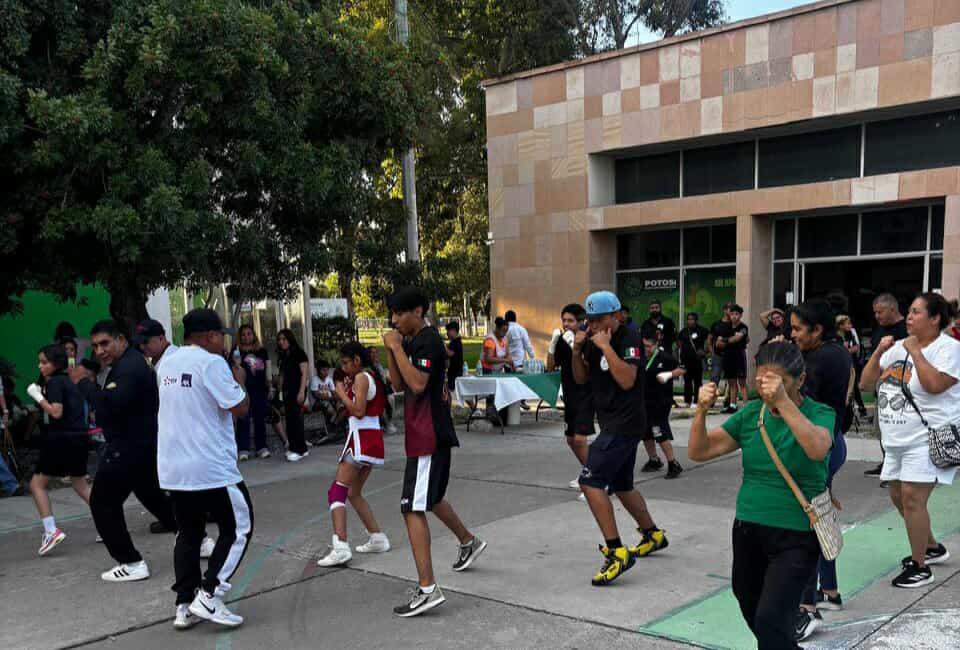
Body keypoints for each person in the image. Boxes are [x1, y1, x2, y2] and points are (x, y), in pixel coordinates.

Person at [689, 342, 834, 650]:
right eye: (761, 381)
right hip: (749, 528)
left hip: (796, 533)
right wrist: (701, 411)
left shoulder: (819, 413)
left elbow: (817, 449)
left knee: (770, 620)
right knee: (751, 606)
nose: (766, 389)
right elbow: (700, 451)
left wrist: (784, 403)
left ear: (800, 380)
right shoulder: (752, 414)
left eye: (776, 382)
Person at [383, 287, 486, 617]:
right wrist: (393, 349)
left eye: (399, 313)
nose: (394, 320)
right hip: (425, 435)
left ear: (417, 311)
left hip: (428, 436)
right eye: (392, 314)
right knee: (433, 498)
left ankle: (427, 588)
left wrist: (395, 347)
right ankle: (468, 541)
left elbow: (417, 384)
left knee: (411, 507)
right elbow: (397, 385)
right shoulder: (412, 341)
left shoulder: (427, 341)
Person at [156, 309, 253, 630]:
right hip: (211, 467)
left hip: (174, 468)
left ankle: (184, 604)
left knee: (189, 534)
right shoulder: (212, 363)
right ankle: (210, 593)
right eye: (221, 336)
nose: (223, 341)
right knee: (238, 528)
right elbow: (239, 407)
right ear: (210, 336)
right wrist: (240, 381)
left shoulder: (166, 363)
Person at [860, 293, 960, 589]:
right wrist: (878, 353)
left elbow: (935, 386)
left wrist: (916, 352)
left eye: (916, 312)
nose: (910, 317)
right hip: (896, 441)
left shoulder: (949, 349)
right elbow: (866, 383)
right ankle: (931, 547)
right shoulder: (897, 347)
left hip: (926, 439)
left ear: (935, 319)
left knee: (913, 499)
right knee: (898, 497)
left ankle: (920, 566)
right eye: (910, 311)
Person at [572, 291, 668, 586]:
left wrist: (605, 347)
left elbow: (627, 380)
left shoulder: (629, 338)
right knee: (623, 486)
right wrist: (577, 350)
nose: (593, 326)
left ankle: (617, 552)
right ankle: (653, 534)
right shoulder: (592, 339)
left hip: (625, 423)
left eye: (599, 320)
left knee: (590, 482)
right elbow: (580, 378)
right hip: (610, 421)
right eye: (589, 321)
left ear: (615, 316)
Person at [71, 319, 179, 582]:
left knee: (102, 502)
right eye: (96, 346)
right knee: (152, 495)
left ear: (121, 339)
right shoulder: (128, 363)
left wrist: (83, 383)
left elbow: (109, 404)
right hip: (140, 445)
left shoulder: (129, 367)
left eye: (105, 343)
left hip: (127, 447)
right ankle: (197, 539)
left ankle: (131, 562)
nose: (100, 351)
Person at [789, 299, 852, 640]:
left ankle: (807, 607)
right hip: (832, 442)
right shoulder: (836, 351)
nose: (792, 334)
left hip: (820, 445)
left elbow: (795, 403)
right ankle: (829, 589)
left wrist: (780, 363)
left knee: (807, 523)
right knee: (820, 515)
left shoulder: (819, 359)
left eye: (798, 329)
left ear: (818, 330)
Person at [316, 342, 391, 567]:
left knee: (336, 491)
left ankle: (340, 546)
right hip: (371, 440)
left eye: (346, 363)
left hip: (361, 439)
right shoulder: (369, 377)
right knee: (354, 492)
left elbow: (358, 411)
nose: (344, 367)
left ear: (357, 360)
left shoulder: (361, 377)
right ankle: (377, 537)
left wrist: (341, 393)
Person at [25, 344, 92, 555]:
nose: (40, 366)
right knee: (80, 485)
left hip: (61, 439)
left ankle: (51, 531)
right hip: (79, 438)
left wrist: (38, 397)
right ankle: (108, 521)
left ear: (56, 363)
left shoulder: (54, 382)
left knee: (36, 484)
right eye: (40, 362)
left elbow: (56, 412)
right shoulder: (67, 381)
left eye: (44, 362)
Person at [546, 304, 595, 495]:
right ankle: (588, 471)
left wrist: (577, 347)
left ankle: (596, 479)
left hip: (586, 394)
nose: (566, 324)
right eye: (564, 320)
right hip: (570, 395)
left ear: (581, 322)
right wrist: (552, 345)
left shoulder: (588, 339)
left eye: (570, 321)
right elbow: (551, 367)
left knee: (580, 439)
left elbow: (588, 368)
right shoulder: (561, 339)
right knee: (571, 440)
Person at [865, 293, 909, 477]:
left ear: (892, 309)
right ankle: (887, 463)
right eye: (875, 312)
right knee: (881, 427)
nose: (877, 316)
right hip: (881, 384)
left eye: (880, 312)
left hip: (901, 386)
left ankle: (901, 466)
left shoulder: (906, 329)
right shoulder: (879, 330)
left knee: (900, 427)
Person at [639, 333, 685, 479]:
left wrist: (669, 375)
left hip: (661, 401)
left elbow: (683, 368)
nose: (646, 349)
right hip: (644, 401)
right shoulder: (641, 357)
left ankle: (673, 463)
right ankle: (654, 460)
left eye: (649, 346)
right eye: (644, 345)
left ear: (656, 344)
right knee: (645, 431)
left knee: (658, 430)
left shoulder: (665, 357)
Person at [231, 325, 271, 461]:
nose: (246, 337)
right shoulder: (236, 352)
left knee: (260, 418)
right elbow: (234, 371)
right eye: (243, 334)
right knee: (243, 418)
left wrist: (270, 385)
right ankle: (243, 449)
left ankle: (261, 447)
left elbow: (268, 369)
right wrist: (236, 363)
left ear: (253, 335)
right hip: (243, 390)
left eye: (249, 334)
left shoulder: (262, 351)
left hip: (260, 389)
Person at [277, 328, 310, 462]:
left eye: (284, 339)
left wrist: (301, 391)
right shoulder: (284, 355)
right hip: (287, 391)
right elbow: (283, 375)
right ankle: (298, 447)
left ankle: (299, 449)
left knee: (295, 420)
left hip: (297, 390)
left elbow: (304, 373)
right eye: (279, 340)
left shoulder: (299, 353)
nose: (281, 342)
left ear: (290, 339)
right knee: (290, 420)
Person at [837, 315, 868, 417]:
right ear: (841, 325)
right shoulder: (837, 336)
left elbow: (856, 347)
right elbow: (841, 351)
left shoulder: (851, 333)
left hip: (852, 363)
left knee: (854, 385)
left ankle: (861, 408)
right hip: (842, 364)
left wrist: (848, 350)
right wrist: (848, 350)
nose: (850, 325)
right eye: (847, 323)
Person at [721, 305, 749, 413]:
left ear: (740, 315)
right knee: (731, 382)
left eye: (736, 314)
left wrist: (725, 340)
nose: (734, 316)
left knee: (742, 382)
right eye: (732, 314)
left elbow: (737, 338)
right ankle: (733, 405)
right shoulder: (726, 327)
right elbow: (718, 341)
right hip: (728, 356)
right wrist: (727, 339)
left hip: (739, 355)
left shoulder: (743, 327)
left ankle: (746, 406)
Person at [677, 312, 709, 408]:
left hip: (697, 360)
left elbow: (710, 339)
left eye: (692, 319)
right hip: (686, 360)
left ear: (696, 320)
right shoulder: (684, 331)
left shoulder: (702, 330)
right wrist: (683, 352)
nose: (690, 321)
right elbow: (679, 342)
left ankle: (696, 401)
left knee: (697, 381)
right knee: (687, 381)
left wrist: (705, 351)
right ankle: (687, 401)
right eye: (688, 319)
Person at [708, 304, 733, 403]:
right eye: (729, 309)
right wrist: (712, 352)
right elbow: (709, 339)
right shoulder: (716, 324)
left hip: (731, 355)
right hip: (718, 355)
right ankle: (711, 400)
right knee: (714, 377)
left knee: (731, 379)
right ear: (724, 310)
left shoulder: (735, 325)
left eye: (732, 310)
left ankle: (728, 400)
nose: (730, 311)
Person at [445, 321, 464, 394]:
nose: (447, 333)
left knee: (454, 391)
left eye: (448, 331)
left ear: (454, 330)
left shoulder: (455, 342)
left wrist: (443, 345)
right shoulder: (455, 341)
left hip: (455, 372)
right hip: (454, 371)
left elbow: (450, 353)